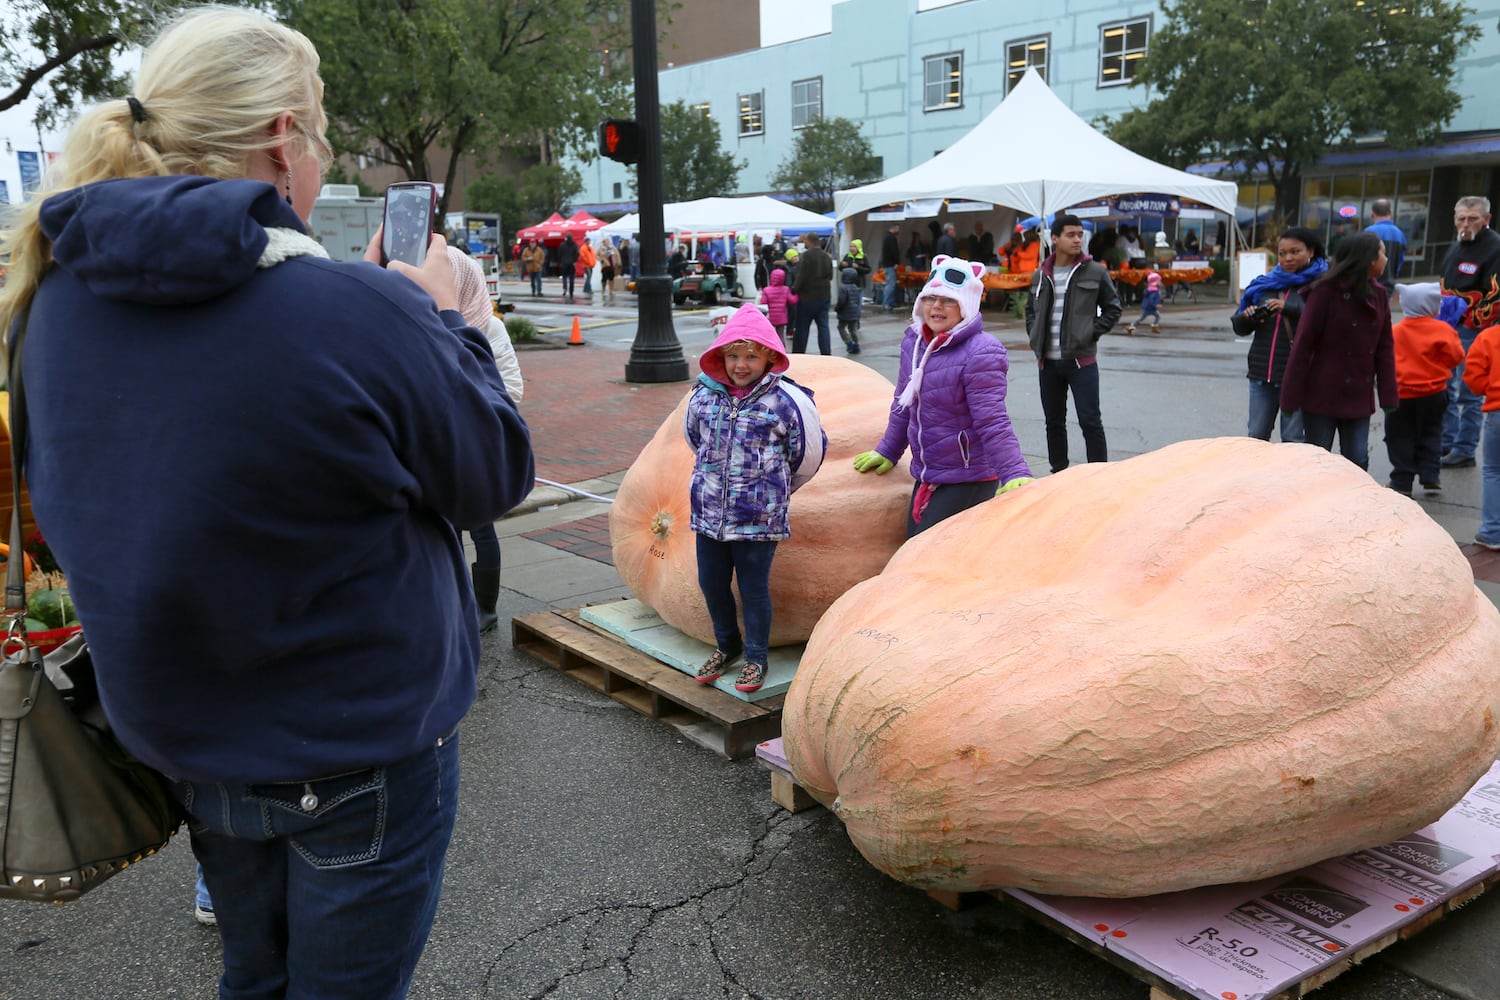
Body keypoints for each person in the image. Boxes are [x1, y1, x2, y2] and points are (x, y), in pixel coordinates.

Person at [0, 7, 535, 998]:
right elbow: (493, 471)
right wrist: (435, 309)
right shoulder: (354, 310)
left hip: (183, 735)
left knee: (254, 970)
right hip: (358, 744)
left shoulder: (46, 305)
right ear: (282, 138)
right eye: (323, 129)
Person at [686, 305, 825, 694]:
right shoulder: (703, 396)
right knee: (712, 583)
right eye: (733, 356)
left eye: (751, 356)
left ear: (769, 357)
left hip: (758, 518)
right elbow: (694, 440)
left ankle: (756, 657)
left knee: (753, 589)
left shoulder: (784, 401)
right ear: (720, 357)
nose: (741, 365)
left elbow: (806, 455)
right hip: (710, 512)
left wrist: (775, 490)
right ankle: (726, 646)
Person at [853, 255, 1034, 536]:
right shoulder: (914, 340)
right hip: (928, 471)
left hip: (969, 476)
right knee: (915, 550)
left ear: (966, 305)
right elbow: (903, 401)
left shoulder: (982, 351)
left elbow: (992, 419)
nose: (936, 307)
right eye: (930, 298)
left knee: (925, 557)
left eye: (948, 300)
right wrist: (888, 450)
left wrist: (1014, 471)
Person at [451, 246, 525, 633]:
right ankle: (454, 600)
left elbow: (512, 388)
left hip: (478, 443)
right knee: (445, 528)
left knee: (481, 525)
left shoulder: (489, 328)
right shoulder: (423, 322)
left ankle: (485, 607)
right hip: (441, 442)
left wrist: (466, 403)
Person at [1279, 232, 1397, 468]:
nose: (1386, 259)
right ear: (1369, 259)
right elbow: (1303, 345)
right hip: (1322, 392)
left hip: (1358, 394)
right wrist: (1289, 400)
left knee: (1357, 459)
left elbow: (1385, 349)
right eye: (1382, 253)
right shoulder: (1325, 292)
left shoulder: (1379, 294)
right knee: (1318, 460)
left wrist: (1388, 395)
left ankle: (1353, 504)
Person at [1025, 214, 1123, 473]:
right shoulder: (1040, 275)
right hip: (1047, 363)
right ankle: (1059, 473)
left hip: (1082, 361)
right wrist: (1034, 334)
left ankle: (1099, 475)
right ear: (1054, 238)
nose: (1077, 239)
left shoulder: (1095, 271)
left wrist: (1090, 333)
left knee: (1090, 421)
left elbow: (1113, 309)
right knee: (1053, 422)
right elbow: (1030, 311)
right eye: (1071, 234)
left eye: (1080, 234)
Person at [1231, 226, 1327, 443]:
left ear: (1310, 252)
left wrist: (1288, 308)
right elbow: (1239, 327)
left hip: (1296, 375)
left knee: (1293, 440)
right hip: (1261, 372)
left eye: (1295, 252)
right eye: (1282, 253)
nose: (1288, 258)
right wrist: (1248, 317)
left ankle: (1293, 479)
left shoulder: (1320, 285)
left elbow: (1324, 321)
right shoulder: (1265, 284)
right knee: (1255, 438)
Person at [1385, 283, 1465, 496]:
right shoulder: (1443, 330)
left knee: (1399, 435)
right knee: (1432, 432)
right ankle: (1430, 475)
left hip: (1401, 394)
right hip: (1434, 393)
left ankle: (1402, 480)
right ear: (1431, 306)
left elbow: (1384, 359)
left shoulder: (1396, 331)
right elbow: (1456, 357)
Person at [1439, 196, 1500, 468]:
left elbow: (1496, 296)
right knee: (1444, 387)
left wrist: (1473, 321)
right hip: (1447, 327)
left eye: (1472, 218)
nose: (1466, 223)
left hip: (1474, 330)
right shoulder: (1455, 245)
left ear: (1486, 219)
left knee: (1469, 393)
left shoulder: (1495, 248)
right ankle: (1448, 440)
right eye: (1461, 218)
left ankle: (1464, 448)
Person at [1462, 318, 1500, 550]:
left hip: (1498, 411)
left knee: (1494, 470)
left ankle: (1492, 532)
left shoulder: (1488, 337)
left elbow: (1474, 381)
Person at [792, 231, 834, 355]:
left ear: (810, 241)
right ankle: (826, 353)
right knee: (823, 326)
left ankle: (799, 353)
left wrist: (794, 289)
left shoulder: (806, 256)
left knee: (802, 328)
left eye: (805, 241)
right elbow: (830, 276)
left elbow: (801, 276)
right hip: (824, 295)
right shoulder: (826, 256)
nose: (804, 243)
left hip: (807, 296)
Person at [1366, 198, 1406, 293]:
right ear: (1390, 212)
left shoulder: (1368, 232)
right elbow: (1400, 261)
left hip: (1369, 285)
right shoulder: (1400, 234)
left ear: (1372, 214)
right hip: (1389, 285)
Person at [757, 264, 798, 345]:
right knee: (780, 336)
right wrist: (797, 295)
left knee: (769, 335)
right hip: (781, 318)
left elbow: (763, 303)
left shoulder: (767, 290)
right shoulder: (785, 289)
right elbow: (792, 301)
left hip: (770, 318)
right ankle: (782, 351)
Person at [835, 265, 863, 354]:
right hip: (854, 313)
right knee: (853, 329)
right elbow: (858, 301)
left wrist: (837, 309)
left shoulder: (843, 288)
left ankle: (849, 342)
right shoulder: (855, 287)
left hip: (844, 313)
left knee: (841, 327)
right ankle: (856, 345)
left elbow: (841, 301)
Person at [1124, 271, 1161, 335]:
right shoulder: (1154, 291)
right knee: (1142, 318)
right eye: (1159, 281)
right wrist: (1155, 305)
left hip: (1149, 306)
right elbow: (1151, 300)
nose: (1160, 282)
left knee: (1156, 316)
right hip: (1150, 307)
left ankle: (1154, 326)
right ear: (1155, 282)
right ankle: (1131, 326)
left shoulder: (1150, 289)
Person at [879, 222, 903, 310]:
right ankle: (886, 303)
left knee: (891, 284)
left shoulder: (887, 237)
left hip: (887, 264)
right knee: (891, 284)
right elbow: (894, 252)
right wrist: (896, 262)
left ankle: (890, 302)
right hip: (890, 265)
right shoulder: (891, 238)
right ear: (894, 228)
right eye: (898, 228)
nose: (899, 230)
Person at [557, 233, 580, 302]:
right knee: (571, 277)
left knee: (564, 277)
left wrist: (560, 261)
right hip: (571, 263)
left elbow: (559, 253)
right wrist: (574, 260)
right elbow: (577, 253)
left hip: (564, 263)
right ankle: (571, 291)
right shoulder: (574, 245)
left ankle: (565, 288)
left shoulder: (562, 245)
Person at [599, 238, 620, 304]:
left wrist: (618, 262)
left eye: (608, 241)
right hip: (605, 266)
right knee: (604, 279)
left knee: (611, 278)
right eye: (606, 241)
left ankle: (611, 290)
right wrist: (601, 260)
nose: (607, 242)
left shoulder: (612, 248)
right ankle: (603, 290)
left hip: (612, 265)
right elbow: (596, 255)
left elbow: (617, 255)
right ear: (603, 242)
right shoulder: (601, 248)